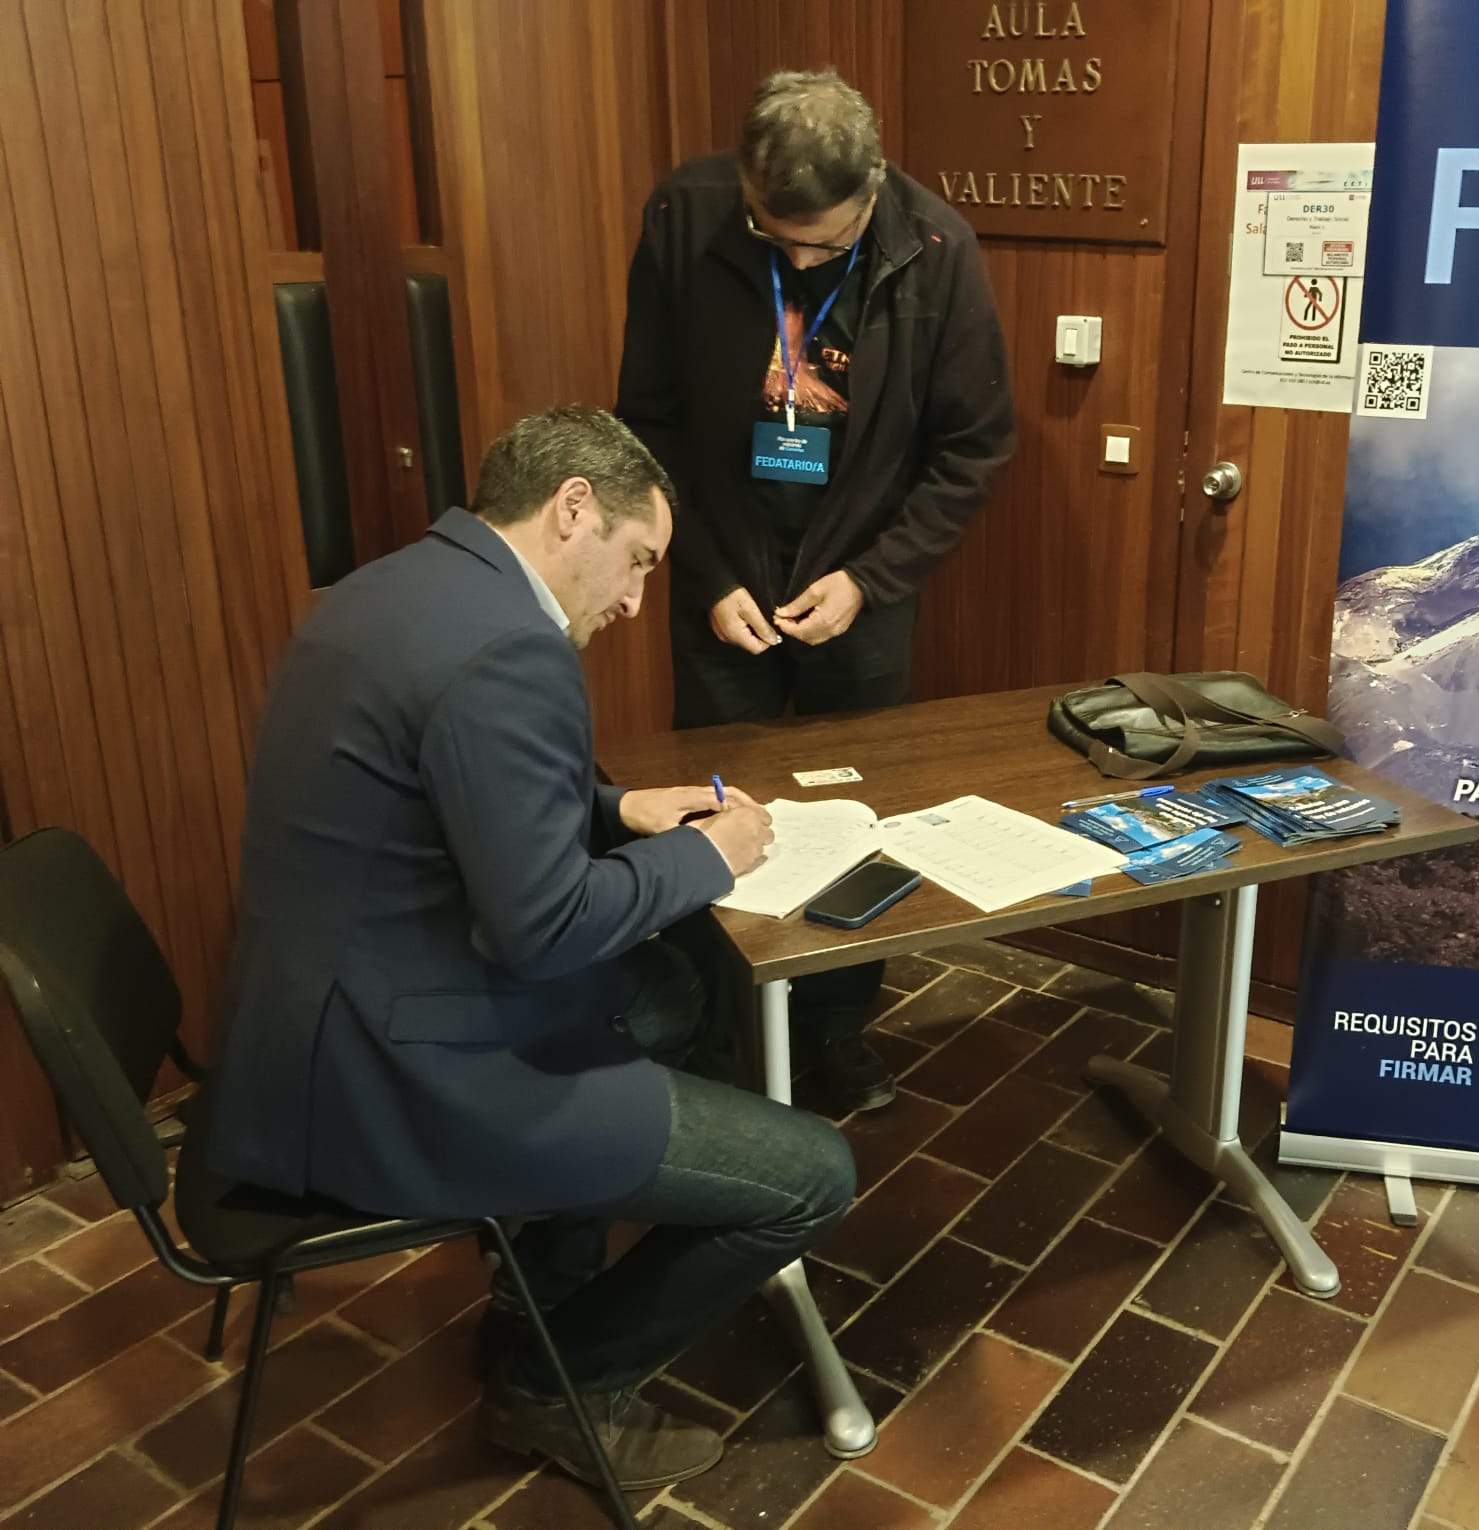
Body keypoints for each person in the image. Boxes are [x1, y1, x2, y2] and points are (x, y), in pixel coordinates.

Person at [202, 406, 855, 1493]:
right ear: (573, 509)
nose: (639, 600)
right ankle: (555, 1381)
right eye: (639, 562)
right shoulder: (516, 649)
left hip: (305, 1030)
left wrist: (617, 808)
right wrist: (718, 856)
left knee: (667, 987)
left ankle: (540, 1289)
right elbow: (544, 929)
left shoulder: (395, 588)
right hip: (396, 1074)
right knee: (815, 1176)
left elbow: (451, 801)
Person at [617, 68, 1015, 1116]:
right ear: (745, 185)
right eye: (774, 234)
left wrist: (874, 580)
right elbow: (645, 422)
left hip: (857, 593)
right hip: (721, 584)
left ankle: (835, 1031)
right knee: (715, 811)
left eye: (822, 246)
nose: (795, 257)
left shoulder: (938, 249)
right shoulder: (686, 216)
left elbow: (971, 449)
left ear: (874, 191)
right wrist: (698, 575)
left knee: (854, 819)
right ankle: (715, 1034)